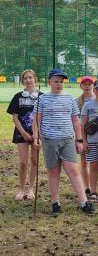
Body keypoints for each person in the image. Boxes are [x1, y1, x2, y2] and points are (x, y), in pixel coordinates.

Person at [32, 68, 95, 215]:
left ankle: (84, 202)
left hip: (67, 140)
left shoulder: (69, 99)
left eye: (61, 81)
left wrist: (79, 140)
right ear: (49, 82)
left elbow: (76, 121)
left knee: (73, 170)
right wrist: (36, 138)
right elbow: (36, 120)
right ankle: (55, 203)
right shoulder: (42, 99)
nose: (59, 84)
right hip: (49, 140)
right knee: (54, 171)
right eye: (56, 81)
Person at [7, 69, 42, 201]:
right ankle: (21, 189)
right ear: (23, 81)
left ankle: (31, 189)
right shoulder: (18, 97)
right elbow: (15, 118)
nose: (28, 80)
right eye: (25, 78)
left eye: (30, 78)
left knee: (34, 161)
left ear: (35, 79)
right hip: (21, 133)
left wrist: (37, 135)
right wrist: (24, 133)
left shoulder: (42, 97)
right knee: (23, 162)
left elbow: (43, 118)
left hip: (37, 134)